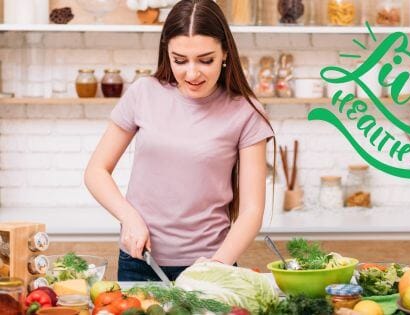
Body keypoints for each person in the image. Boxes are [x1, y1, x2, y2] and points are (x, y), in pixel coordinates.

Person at [84, 0, 275, 282]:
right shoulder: (143, 93)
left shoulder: (246, 111)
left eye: (206, 60)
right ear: (167, 53)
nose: (192, 73)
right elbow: (96, 171)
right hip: (140, 261)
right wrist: (129, 217)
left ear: (225, 53)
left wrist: (216, 267)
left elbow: (251, 210)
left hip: (212, 264)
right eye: (180, 60)